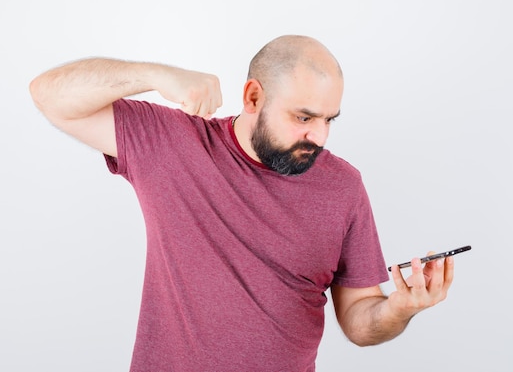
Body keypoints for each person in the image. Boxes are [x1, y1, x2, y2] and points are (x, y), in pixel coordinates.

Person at [29, 35, 454, 371]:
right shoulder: (174, 142)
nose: (319, 138)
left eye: (329, 120)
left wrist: (398, 309)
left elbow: (360, 319)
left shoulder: (344, 187)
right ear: (253, 97)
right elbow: (50, 96)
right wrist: (154, 74)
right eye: (304, 118)